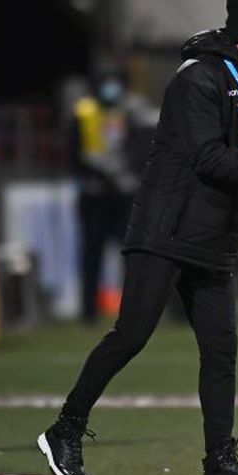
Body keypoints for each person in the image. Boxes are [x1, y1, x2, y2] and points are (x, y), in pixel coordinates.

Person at [38, 0, 238, 475]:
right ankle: (64, 429)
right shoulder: (196, 77)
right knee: (131, 336)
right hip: (167, 230)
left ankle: (218, 462)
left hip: (214, 237)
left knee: (221, 350)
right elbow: (209, 158)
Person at [69, 70, 156, 323]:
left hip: (122, 194)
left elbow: (140, 146)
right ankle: (88, 312)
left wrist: (131, 175)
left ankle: (135, 309)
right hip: (95, 194)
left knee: (131, 253)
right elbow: (74, 151)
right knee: (91, 253)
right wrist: (91, 178)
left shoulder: (127, 113)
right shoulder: (83, 113)